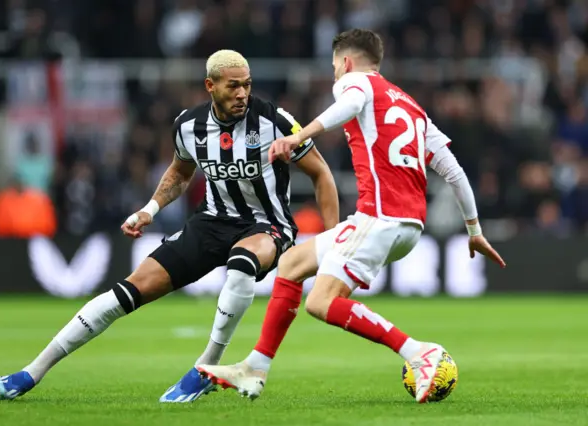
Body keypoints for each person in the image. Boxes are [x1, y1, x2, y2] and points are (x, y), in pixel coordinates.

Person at [0, 50, 339, 403]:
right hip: (211, 222)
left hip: (267, 225)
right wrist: (150, 209)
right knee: (126, 293)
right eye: (233, 86)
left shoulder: (274, 121)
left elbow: (321, 173)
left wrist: (332, 243)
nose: (242, 94)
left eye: (247, 85)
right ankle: (33, 371)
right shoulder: (188, 125)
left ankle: (205, 368)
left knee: (241, 265)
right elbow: (180, 171)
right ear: (210, 85)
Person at [196, 29, 506, 404]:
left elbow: (350, 100)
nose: (334, 77)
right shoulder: (411, 107)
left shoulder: (356, 83)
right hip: (407, 224)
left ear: (345, 62)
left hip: (380, 216)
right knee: (292, 262)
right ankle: (256, 366)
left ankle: (417, 352)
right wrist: (473, 229)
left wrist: (299, 136)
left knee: (320, 302)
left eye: (333, 68)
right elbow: (453, 171)